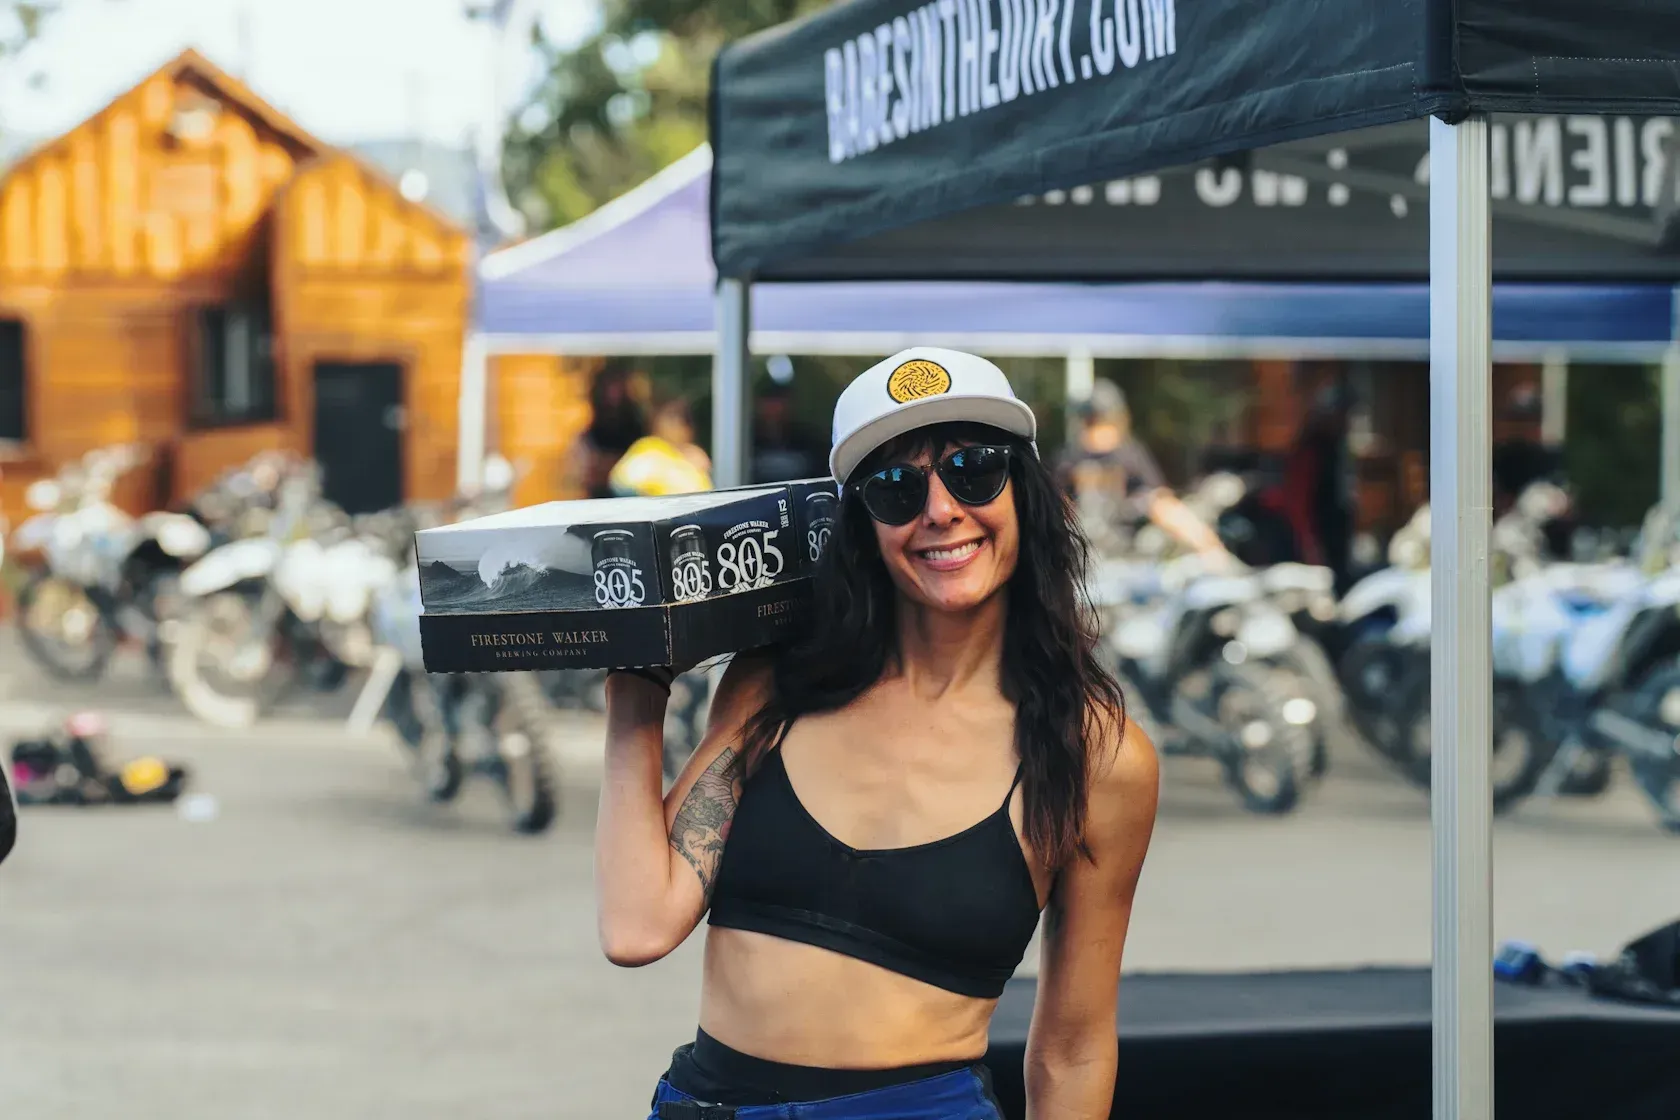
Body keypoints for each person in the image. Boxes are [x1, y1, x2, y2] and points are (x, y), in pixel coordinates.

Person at [598, 347, 1160, 1119]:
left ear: (1024, 493)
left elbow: (1074, 1047)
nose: (941, 510)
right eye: (896, 487)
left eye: (974, 470)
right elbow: (637, 926)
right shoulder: (777, 684)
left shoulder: (1097, 755)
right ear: (861, 523)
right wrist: (636, 693)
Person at [1060, 379, 1229, 560]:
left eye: (1100, 421)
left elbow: (1160, 501)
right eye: (1092, 422)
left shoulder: (1128, 454)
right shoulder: (1072, 458)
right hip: (1084, 549)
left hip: (1125, 548)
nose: (1097, 431)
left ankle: (1214, 552)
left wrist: (1207, 544)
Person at [576, 360, 652, 499]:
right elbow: (587, 473)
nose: (613, 395)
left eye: (617, 388)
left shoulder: (641, 429)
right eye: (608, 388)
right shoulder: (588, 437)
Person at [609, 398, 713, 497]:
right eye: (670, 419)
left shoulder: (696, 456)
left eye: (679, 420)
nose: (673, 426)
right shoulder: (649, 447)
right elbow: (622, 482)